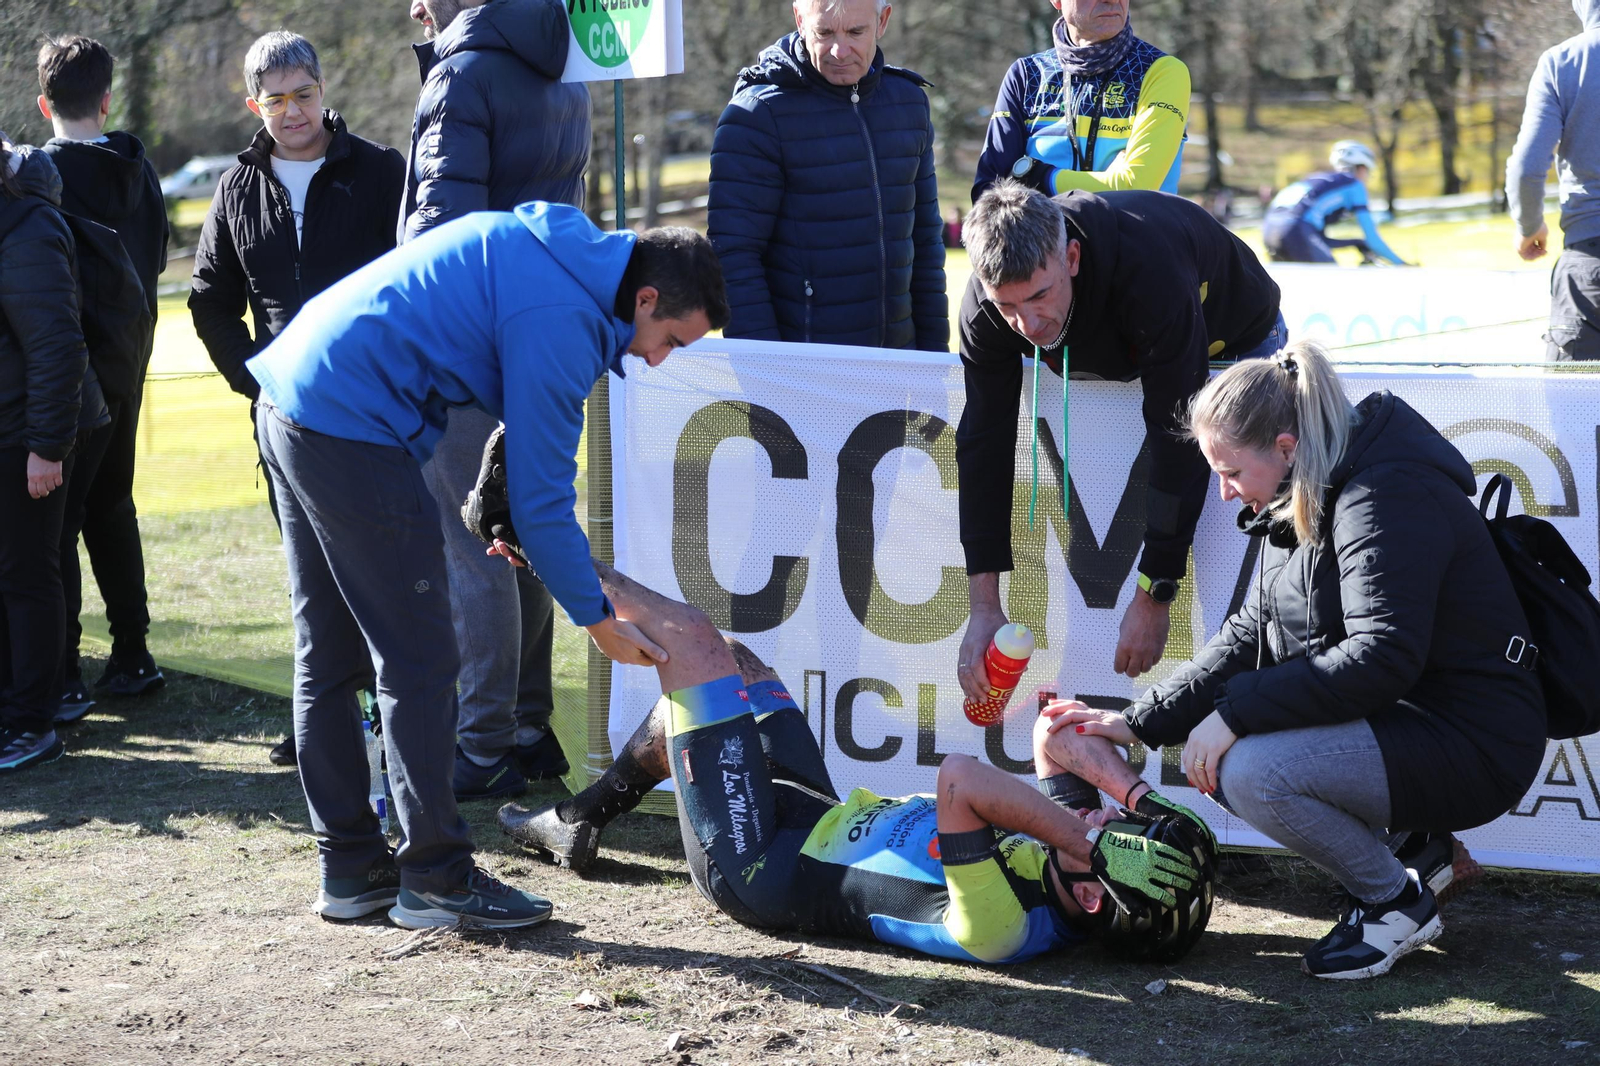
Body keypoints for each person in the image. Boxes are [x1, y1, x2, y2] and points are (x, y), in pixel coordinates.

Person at [247, 201, 727, 929]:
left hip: (291, 394)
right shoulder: (568, 318)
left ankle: (351, 869)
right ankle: (435, 877)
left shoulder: (551, 247)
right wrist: (596, 619)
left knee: (331, 652)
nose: (658, 359)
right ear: (647, 297)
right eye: (668, 340)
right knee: (421, 659)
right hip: (350, 427)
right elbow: (542, 502)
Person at [1046, 340, 1547, 980]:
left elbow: (1380, 656)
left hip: (1476, 741)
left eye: (1230, 473)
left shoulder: (1383, 494)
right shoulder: (1308, 486)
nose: (1224, 495)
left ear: (1285, 448)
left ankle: (1395, 902)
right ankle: (1416, 848)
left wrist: (1234, 715)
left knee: (1250, 768)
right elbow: (1253, 631)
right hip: (1418, 721)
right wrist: (1139, 722)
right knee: (1231, 750)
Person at [498, 557, 1213, 966]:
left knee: (694, 644)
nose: (1103, 819)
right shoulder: (1077, 864)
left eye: (1114, 836)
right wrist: (1139, 799)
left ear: (1090, 896)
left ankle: (536, 541)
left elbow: (960, 780)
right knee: (736, 673)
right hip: (816, 810)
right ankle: (578, 819)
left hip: (759, 868)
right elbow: (1056, 735)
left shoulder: (1005, 929)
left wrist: (1079, 834)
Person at [955, 180, 1285, 704]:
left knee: (1228, 533)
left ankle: (1247, 694)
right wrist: (984, 605)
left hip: (1231, 338)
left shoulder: (1148, 271)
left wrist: (1155, 593)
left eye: (1040, 295)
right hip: (1116, 347)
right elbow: (983, 443)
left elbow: (1177, 441)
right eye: (1008, 306)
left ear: (1073, 256)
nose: (1027, 323)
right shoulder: (984, 309)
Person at [189, 30, 405, 766]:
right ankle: (329, 724)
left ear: (323, 90)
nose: (292, 112)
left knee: (377, 580)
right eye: (276, 100)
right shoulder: (234, 188)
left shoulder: (381, 172)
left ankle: (394, 726)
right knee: (311, 583)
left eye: (303, 95)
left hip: (374, 419)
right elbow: (209, 300)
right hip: (282, 425)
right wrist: (256, 383)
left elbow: (408, 288)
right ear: (256, 104)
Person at [404, 0, 593, 799]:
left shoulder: (463, 76)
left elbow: (439, 236)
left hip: (470, 344)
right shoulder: (566, 72)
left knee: (471, 542)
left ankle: (479, 744)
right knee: (524, 528)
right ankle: (523, 724)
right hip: (546, 336)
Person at [38, 35, 171, 718]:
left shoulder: (43, 176)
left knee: (55, 526)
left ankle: (59, 671)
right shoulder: (139, 168)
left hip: (71, 376)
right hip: (132, 361)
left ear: (43, 102)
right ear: (107, 97)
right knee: (113, 507)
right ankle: (132, 652)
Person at [707, 0, 948, 351]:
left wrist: (932, 360)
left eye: (855, 32)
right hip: (802, 373)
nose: (839, 49)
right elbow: (733, 255)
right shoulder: (755, 115)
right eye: (824, 32)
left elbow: (926, 243)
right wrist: (766, 374)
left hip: (900, 367)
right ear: (800, 20)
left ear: (883, 21)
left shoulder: (908, 102)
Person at [0, 135, 107, 774]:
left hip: (26, 437)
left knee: (28, 576)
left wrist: (45, 448)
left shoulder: (28, 227)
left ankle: (31, 722)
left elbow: (56, 347)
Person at [972, 0, 1189, 202]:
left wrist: (1034, 176)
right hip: (1045, 243)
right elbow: (988, 195)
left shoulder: (1162, 71)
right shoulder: (1027, 74)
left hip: (1134, 242)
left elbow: (1136, 186)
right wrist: (1109, 183)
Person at [1506, 0, 1600, 360]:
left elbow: (1527, 167)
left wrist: (1529, 226)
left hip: (1589, 260)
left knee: (1577, 409)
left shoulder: (1562, 62)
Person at [1262, 142, 1408, 266]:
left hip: (1269, 231)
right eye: (1367, 172)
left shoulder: (1315, 180)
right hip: (1296, 230)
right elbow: (1373, 239)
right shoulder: (1354, 184)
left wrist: (1356, 242)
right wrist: (1401, 264)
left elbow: (1314, 239)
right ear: (1362, 168)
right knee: (1333, 283)